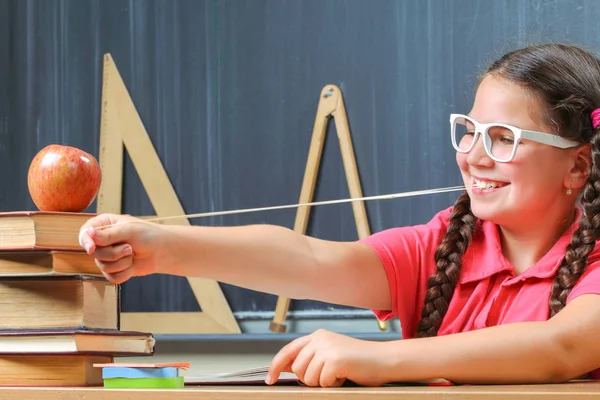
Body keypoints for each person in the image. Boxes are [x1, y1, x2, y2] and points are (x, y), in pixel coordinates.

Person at [79, 43, 600, 387]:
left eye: (503, 138)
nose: (474, 155)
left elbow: (563, 345)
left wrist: (378, 359)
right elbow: (308, 258)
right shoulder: (447, 245)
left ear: (576, 165)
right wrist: (164, 246)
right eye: (470, 129)